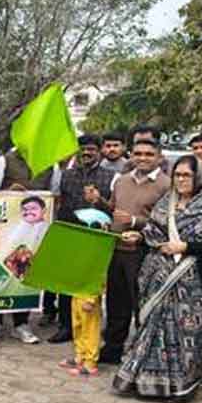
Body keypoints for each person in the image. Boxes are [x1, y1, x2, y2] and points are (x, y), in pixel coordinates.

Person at [112, 155, 202, 401]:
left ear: (198, 178)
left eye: (186, 175)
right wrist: (140, 237)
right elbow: (154, 232)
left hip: (193, 284)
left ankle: (181, 387)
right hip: (158, 276)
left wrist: (186, 247)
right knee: (152, 329)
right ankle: (144, 383)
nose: (180, 180)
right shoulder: (165, 202)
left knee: (186, 336)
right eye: (177, 175)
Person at [101, 139, 171, 365]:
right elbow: (113, 209)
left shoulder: (166, 184)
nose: (143, 158)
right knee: (115, 302)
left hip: (145, 251)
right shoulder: (121, 180)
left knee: (142, 304)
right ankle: (112, 349)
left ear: (159, 157)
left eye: (149, 154)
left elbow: (168, 222)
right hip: (117, 249)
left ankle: (142, 354)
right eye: (138, 153)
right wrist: (107, 221)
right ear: (131, 155)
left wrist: (134, 222)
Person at [49, 135, 117, 343]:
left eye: (91, 149)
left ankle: (90, 329)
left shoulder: (112, 177)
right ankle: (66, 326)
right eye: (83, 149)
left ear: (99, 151)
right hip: (69, 233)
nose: (87, 153)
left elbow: (114, 209)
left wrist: (98, 200)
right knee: (65, 284)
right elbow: (56, 202)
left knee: (92, 286)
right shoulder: (65, 175)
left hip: (96, 236)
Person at [0, 196, 47, 345]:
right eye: (25, 209)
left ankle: (21, 326)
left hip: (27, 267)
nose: (29, 212)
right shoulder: (17, 225)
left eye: (33, 208)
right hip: (5, 262)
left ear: (43, 210)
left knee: (23, 289)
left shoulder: (46, 227)